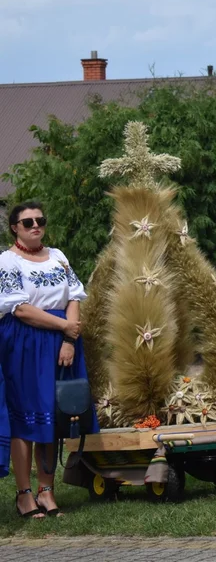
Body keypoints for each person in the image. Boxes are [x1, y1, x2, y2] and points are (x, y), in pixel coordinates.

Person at [0, 201, 95, 518]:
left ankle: (47, 491)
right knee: (26, 417)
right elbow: (21, 309)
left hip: (62, 341)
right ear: (15, 227)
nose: (35, 226)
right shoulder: (8, 262)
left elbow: (74, 297)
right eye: (27, 222)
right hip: (25, 342)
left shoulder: (58, 256)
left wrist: (69, 338)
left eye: (40, 220)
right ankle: (24, 495)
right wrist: (64, 327)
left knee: (54, 414)